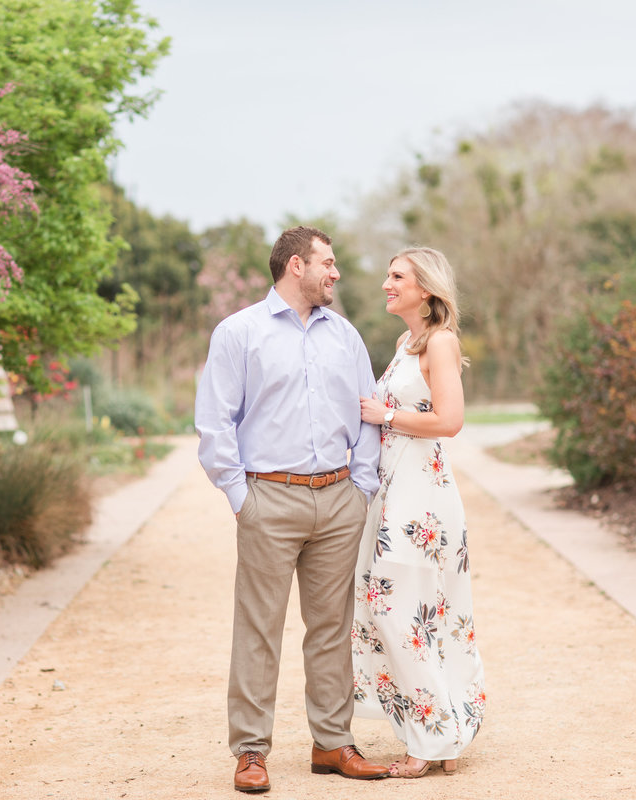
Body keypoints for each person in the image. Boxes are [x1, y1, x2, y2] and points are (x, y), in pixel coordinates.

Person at [195, 225, 388, 793]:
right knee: (258, 628)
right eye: (327, 263)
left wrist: (361, 486)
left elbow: (367, 411)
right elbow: (214, 421)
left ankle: (332, 744)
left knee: (331, 628)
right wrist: (240, 497)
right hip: (268, 498)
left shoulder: (346, 335)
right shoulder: (239, 333)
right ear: (295, 265)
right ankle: (251, 751)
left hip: (338, 500)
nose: (335, 273)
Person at [354, 246, 485, 778]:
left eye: (397, 276)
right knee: (412, 613)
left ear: (425, 287)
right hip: (394, 492)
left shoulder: (442, 341)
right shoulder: (404, 344)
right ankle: (442, 731)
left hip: (421, 500)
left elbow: (450, 420)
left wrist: (385, 413)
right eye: (388, 274)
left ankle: (430, 739)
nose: (387, 283)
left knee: (402, 613)